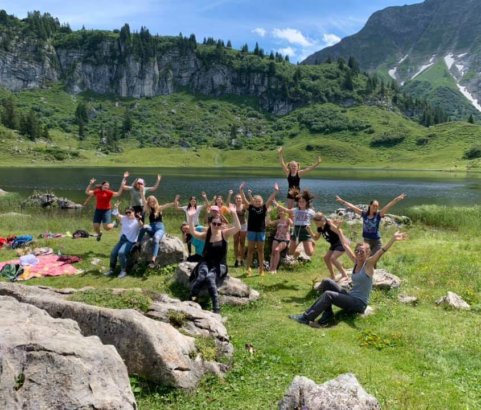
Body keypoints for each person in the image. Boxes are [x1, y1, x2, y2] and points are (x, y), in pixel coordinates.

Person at [289, 229, 407, 327]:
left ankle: (306, 317)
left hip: (359, 304)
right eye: (357, 251)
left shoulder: (369, 264)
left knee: (328, 294)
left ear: (367, 253)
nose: (359, 253)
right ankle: (328, 314)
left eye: (362, 251)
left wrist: (393, 239)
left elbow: (381, 252)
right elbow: (345, 245)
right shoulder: (356, 261)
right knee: (326, 282)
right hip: (350, 297)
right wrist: (338, 231)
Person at [187, 203, 241, 313]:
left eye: (218, 224)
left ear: (221, 224)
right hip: (206, 262)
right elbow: (192, 231)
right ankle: (192, 299)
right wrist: (192, 217)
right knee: (201, 276)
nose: (216, 226)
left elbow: (238, 227)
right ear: (210, 223)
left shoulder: (224, 234)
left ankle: (216, 307)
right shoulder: (206, 235)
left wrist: (234, 213)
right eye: (214, 223)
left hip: (220, 265)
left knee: (210, 278)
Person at [336, 193, 407, 254]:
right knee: (367, 259)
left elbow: (389, 205)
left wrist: (397, 199)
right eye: (374, 205)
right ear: (370, 205)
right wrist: (342, 201)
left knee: (374, 258)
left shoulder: (379, 215)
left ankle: (373, 269)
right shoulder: (364, 214)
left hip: (377, 241)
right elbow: (352, 207)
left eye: (377, 206)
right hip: (366, 240)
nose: (375, 207)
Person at [240, 182, 279, 276]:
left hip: (261, 231)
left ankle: (261, 269)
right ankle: (248, 269)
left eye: (259, 201)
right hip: (251, 231)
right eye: (256, 201)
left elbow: (270, 199)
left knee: (260, 251)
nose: (257, 203)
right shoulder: (251, 207)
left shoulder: (264, 208)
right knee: (250, 250)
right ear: (253, 201)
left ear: (262, 202)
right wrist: (241, 190)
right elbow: (244, 199)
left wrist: (276, 191)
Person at [137, 195, 179, 268]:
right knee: (143, 227)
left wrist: (174, 201)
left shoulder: (159, 208)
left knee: (156, 239)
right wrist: (141, 192)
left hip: (159, 228)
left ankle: (153, 260)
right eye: (150, 202)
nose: (152, 203)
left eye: (153, 201)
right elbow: (144, 200)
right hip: (151, 228)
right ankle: (137, 244)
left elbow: (168, 205)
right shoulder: (148, 209)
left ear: (155, 201)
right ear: (148, 203)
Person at [274, 190, 316, 259]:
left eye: (303, 201)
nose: (301, 203)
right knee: (290, 252)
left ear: (306, 202)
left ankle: (312, 244)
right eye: (300, 202)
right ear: (298, 202)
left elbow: (318, 218)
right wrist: (277, 205)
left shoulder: (310, 211)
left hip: (306, 231)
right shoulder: (295, 210)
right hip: (296, 231)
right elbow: (286, 210)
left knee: (309, 253)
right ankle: (298, 250)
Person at [308, 212, 349, 282]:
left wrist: (344, 241)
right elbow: (315, 238)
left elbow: (339, 231)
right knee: (326, 258)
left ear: (322, 220)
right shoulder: (320, 228)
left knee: (333, 258)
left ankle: (344, 275)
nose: (316, 225)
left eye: (317, 223)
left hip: (340, 243)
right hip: (333, 244)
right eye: (315, 223)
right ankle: (332, 276)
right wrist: (309, 231)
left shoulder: (329, 225)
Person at [85, 174, 126, 241]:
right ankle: (99, 234)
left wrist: (122, 185)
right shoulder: (97, 191)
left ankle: (114, 224)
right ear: (102, 185)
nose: (106, 186)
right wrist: (90, 184)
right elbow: (87, 192)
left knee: (106, 228)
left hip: (106, 211)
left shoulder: (109, 192)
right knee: (95, 226)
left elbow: (118, 194)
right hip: (98, 210)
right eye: (105, 185)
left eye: (107, 186)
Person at [106, 205, 143, 279]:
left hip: (130, 240)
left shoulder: (136, 220)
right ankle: (111, 269)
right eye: (126, 213)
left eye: (130, 212)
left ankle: (124, 271)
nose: (128, 214)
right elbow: (116, 214)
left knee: (121, 253)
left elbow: (141, 225)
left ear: (133, 212)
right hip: (122, 239)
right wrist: (116, 207)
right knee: (113, 253)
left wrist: (139, 219)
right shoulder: (124, 218)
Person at [268, 210, 293, 274]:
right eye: (280, 212)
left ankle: (274, 269)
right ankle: (270, 268)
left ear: (285, 213)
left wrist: (291, 218)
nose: (281, 212)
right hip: (276, 238)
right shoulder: (278, 221)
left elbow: (292, 224)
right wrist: (268, 213)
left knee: (277, 250)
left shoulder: (288, 220)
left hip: (285, 239)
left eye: (283, 212)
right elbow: (269, 223)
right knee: (273, 252)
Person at [227, 190, 247, 267]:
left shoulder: (244, 205)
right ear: (235, 199)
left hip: (243, 225)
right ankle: (236, 259)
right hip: (235, 226)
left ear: (242, 199)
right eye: (237, 198)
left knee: (242, 243)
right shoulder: (233, 206)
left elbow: (249, 204)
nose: (238, 199)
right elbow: (227, 203)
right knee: (235, 242)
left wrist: (244, 194)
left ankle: (241, 259)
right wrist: (229, 194)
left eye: (240, 198)